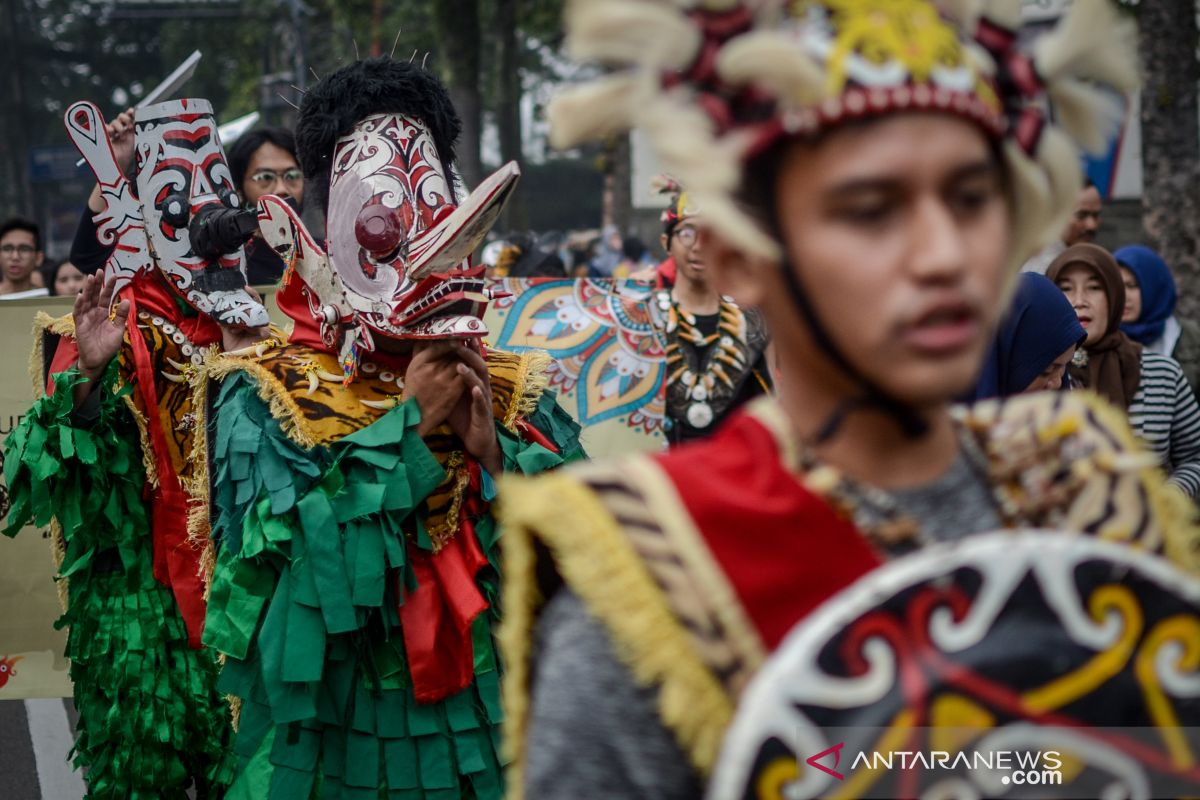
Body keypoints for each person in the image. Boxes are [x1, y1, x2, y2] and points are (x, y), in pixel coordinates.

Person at [494, 2, 1196, 798]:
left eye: (971, 199)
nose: (942, 255)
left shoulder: (1087, 487)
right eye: (870, 209)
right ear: (743, 260)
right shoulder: (651, 588)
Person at [198, 57, 585, 798]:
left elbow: (596, 564)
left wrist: (496, 456)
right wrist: (405, 432)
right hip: (342, 752)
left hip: (498, 744)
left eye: (436, 208)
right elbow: (289, 608)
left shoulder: (511, 391)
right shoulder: (267, 396)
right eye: (385, 219)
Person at [3, 97, 268, 798]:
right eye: (182, 199)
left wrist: (254, 366)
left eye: (219, 195)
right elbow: (50, 459)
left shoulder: (253, 325)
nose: (208, 220)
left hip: (239, 603)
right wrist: (89, 376)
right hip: (138, 607)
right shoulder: (112, 319)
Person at [1049, 243, 1200, 498]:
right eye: (1065, 288)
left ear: (1114, 296)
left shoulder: (1162, 373)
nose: (1079, 301)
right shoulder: (1043, 376)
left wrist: (1165, 500)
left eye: (1095, 288)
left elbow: (1194, 457)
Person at [652, 179, 771, 445]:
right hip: (662, 473)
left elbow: (767, 409)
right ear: (666, 242)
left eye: (711, 234)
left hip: (734, 472)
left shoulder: (753, 322)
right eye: (686, 233)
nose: (698, 245)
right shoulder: (642, 317)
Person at [969, 272, 1086, 399]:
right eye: (1046, 371)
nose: (1057, 383)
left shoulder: (1065, 414)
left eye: (1064, 367)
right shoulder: (952, 414)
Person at [226, 126, 306, 285]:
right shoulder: (228, 266)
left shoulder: (330, 256)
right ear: (238, 190)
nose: (282, 189)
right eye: (265, 177)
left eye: (292, 176)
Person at [1115, 243, 1200, 393]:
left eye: (1132, 286)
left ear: (1153, 287)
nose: (1123, 296)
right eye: (1117, 287)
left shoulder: (1190, 337)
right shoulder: (1101, 337)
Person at [1021, 178, 1103, 273]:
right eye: (1081, 215)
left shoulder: (1096, 261)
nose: (1091, 225)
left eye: (1096, 215)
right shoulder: (1042, 271)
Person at [0, 217, 49, 298]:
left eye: (24, 249)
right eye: (7, 249)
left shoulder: (48, 302)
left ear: (38, 258)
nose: (15, 257)